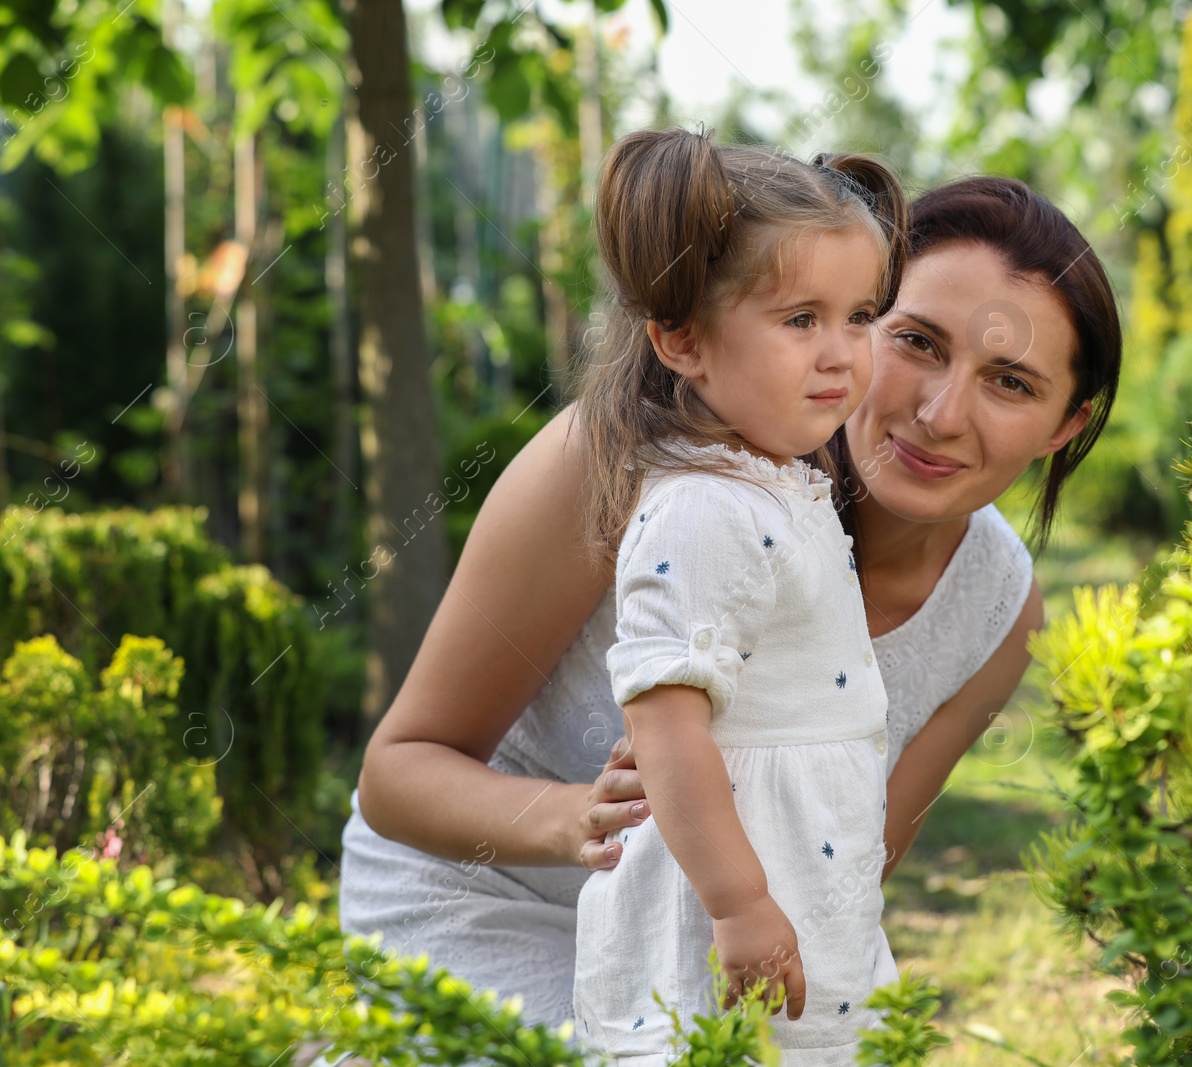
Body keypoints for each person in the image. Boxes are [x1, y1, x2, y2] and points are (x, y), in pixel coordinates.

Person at [341, 171, 1123, 1032]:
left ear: (1066, 425)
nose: (939, 414)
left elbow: (846, 876)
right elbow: (398, 774)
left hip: (700, 946)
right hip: (487, 899)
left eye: (1010, 382)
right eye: (916, 341)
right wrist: (585, 821)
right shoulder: (619, 466)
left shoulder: (997, 610)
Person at [565, 128, 909, 1064]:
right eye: (801, 320)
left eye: (859, 315)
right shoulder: (701, 511)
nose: (841, 353)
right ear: (681, 340)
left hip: (801, 880)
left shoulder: (775, 483)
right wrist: (739, 902)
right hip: (722, 908)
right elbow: (668, 728)